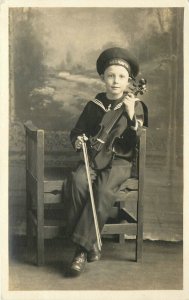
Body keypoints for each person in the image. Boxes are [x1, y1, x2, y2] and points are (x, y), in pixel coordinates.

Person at [63, 47, 146, 276]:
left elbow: (134, 142)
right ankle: (92, 244)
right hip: (95, 157)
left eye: (121, 77)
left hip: (119, 162)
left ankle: (81, 249)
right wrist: (78, 141)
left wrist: (130, 116)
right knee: (77, 181)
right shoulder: (94, 105)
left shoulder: (135, 106)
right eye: (110, 76)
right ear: (102, 78)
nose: (115, 81)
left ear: (129, 80)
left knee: (102, 190)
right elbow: (77, 131)